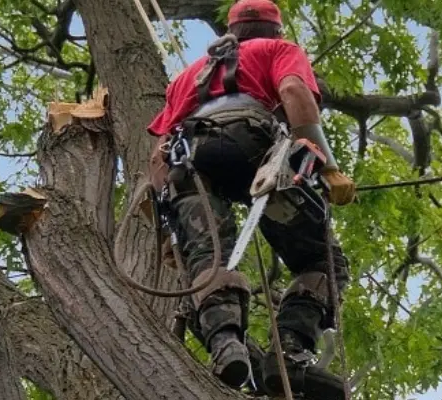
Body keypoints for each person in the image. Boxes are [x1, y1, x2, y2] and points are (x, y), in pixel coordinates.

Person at [146, 0, 355, 396]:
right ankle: (289, 354)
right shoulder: (279, 50)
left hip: (189, 163)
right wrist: (327, 166)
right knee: (322, 260)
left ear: (232, 30)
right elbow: (293, 90)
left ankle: (226, 346)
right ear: (273, 30)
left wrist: (168, 231)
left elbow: (157, 154)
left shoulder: (187, 77)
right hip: (254, 150)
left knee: (207, 257)